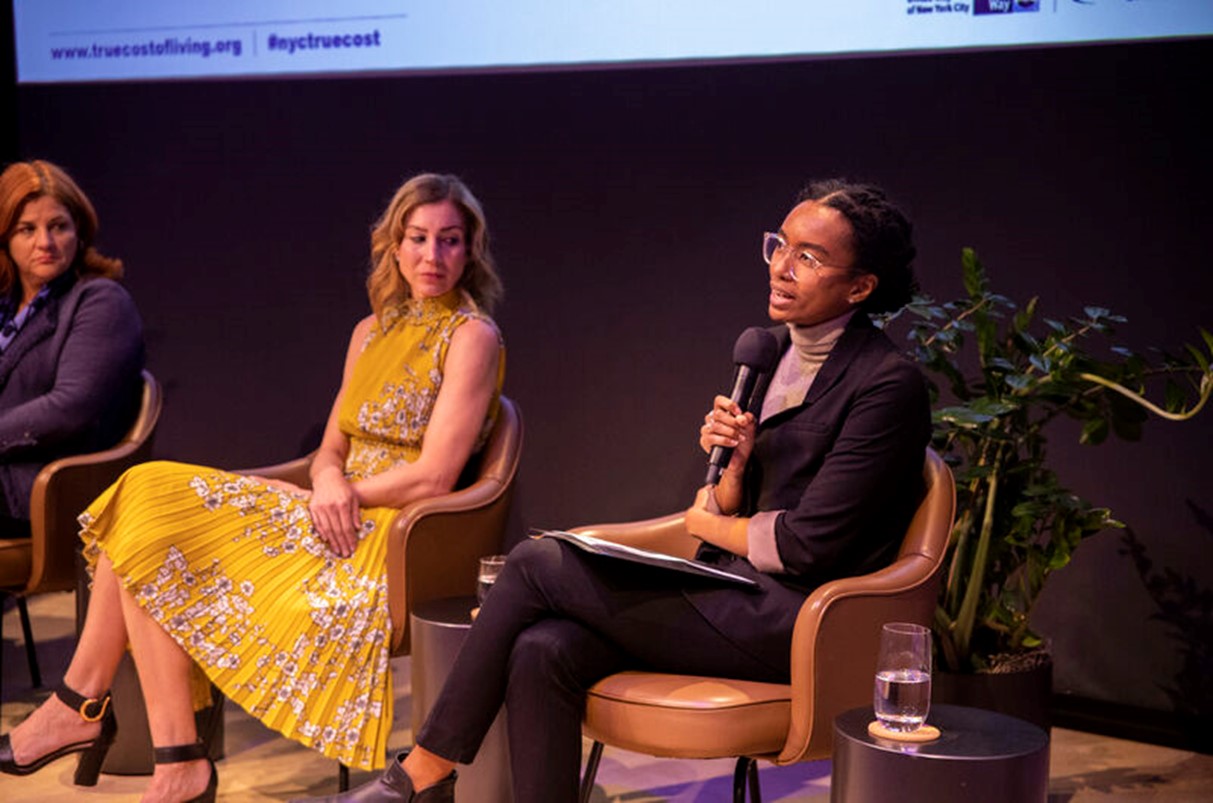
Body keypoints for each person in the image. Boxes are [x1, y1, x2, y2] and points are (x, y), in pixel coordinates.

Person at [304, 178, 932, 803]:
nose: (782, 268)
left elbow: (809, 545)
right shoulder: (771, 358)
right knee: (542, 648)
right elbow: (749, 506)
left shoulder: (886, 386)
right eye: (780, 245)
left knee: (533, 563)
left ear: (860, 287)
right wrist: (734, 476)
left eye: (809, 257)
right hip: (731, 594)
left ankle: (422, 774)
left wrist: (709, 525)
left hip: (799, 622)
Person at [0, 172, 506, 803]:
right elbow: (332, 449)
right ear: (394, 247)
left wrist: (345, 495)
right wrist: (325, 481)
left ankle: (105, 719)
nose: (433, 256)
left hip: (388, 533)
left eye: (450, 241)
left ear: (471, 250)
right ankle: (166, 754)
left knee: (142, 525)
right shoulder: (369, 332)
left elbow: (434, 474)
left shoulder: (472, 337)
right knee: (143, 500)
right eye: (419, 238)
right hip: (328, 506)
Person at [0, 159, 144, 537]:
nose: (45, 243)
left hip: (44, 490)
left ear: (78, 231)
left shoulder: (99, 301)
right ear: (5, 239)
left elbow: (70, 407)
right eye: (27, 229)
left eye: (58, 226)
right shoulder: (6, 308)